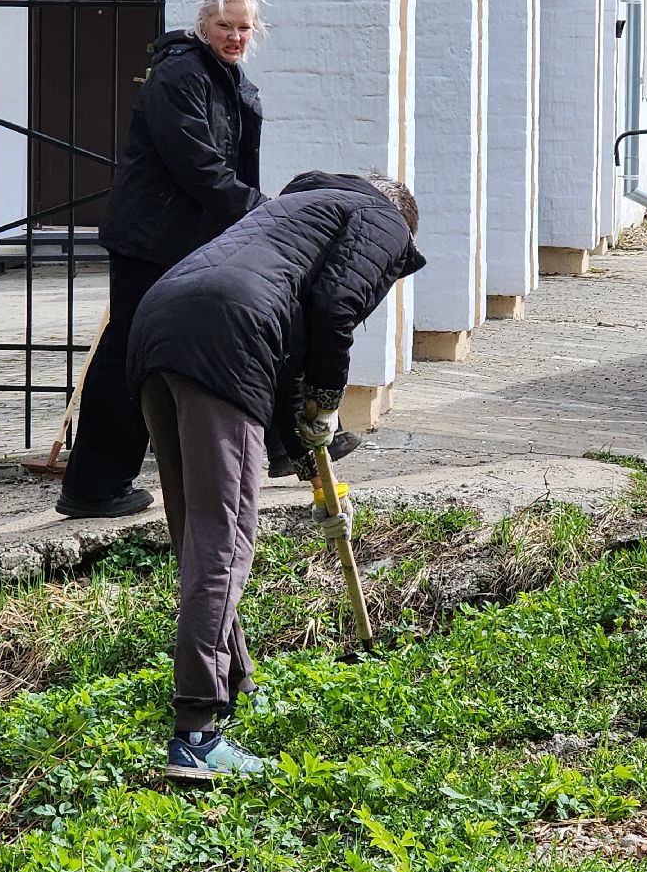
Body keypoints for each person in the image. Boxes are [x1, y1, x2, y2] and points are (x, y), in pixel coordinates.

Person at [126, 171, 424, 779]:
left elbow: (292, 335)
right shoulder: (385, 222)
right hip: (225, 335)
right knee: (225, 537)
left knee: (199, 533)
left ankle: (234, 681)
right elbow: (334, 309)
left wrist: (307, 434)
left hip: (160, 322)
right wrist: (326, 395)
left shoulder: (295, 212)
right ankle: (196, 734)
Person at [55, 0, 268, 519]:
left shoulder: (226, 78)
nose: (235, 36)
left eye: (244, 27)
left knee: (221, 334)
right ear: (204, 25)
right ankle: (93, 486)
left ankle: (288, 448)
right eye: (226, 26)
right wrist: (258, 209)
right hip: (152, 243)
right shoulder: (180, 76)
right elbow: (198, 166)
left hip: (191, 239)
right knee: (129, 355)